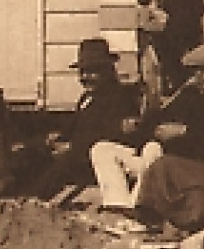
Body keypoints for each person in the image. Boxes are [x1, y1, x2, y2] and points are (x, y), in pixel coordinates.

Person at [121, 42, 204, 233]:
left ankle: (151, 217)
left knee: (164, 166)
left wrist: (185, 132)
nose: (198, 78)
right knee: (162, 162)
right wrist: (143, 124)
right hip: (198, 164)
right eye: (195, 73)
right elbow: (164, 116)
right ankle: (154, 217)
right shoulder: (195, 95)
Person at [30, 38, 142, 202]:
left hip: (99, 160)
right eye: (82, 72)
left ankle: (37, 201)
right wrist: (57, 137)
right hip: (80, 152)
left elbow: (113, 133)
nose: (85, 77)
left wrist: (72, 146)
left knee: (63, 164)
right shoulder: (87, 97)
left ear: (107, 71)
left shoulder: (119, 97)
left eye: (91, 72)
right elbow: (77, 125)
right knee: (33, 151)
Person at [158, 0, 204, 93]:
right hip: (191, 28)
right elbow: (201, 9)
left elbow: (164, 6)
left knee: (174, 59)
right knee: (193, 59)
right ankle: (189, 88)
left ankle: (176, 86)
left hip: (173, 27)